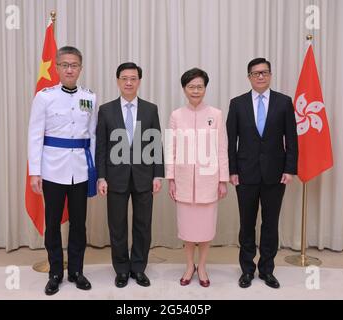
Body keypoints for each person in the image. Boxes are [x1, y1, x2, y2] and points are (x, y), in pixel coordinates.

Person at [28, 46, 96, 295]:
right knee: (53, 223)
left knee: (79, 224)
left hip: (80, 170)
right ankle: (55, 271)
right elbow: (35, 135)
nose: (69, 69)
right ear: (56, 67)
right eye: (65, 65)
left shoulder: (90, 97)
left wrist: (94, 170)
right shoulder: (44, 97)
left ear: (80, 68)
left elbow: (94, 135)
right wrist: (35, 171)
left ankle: (77, 271)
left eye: (74, 65)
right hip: (53, 169)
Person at [226, 58, 298, 289]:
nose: (260, 76)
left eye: (264, 72)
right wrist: (232, 170)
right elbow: (230, 141)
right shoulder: (237, 103)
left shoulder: (284, 102)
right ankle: (247, 270)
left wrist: (289, 168)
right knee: (247, 224)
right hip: (245, 175)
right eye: (255, 73)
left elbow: (292, 139)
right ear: (248, 77)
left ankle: (267, 270)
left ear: (270, 75)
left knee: (270, 224)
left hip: (275, 175)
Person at [96, 62, 164, 288]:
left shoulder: (150, 109)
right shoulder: (106, 110)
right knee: (117, 226)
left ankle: (138, 268)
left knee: (143, 225)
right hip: (115, 177)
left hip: (144, 177)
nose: (128, 82)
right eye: (124, 78)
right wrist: (101, 177)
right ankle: (122, 270)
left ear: (139, 81)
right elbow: (102, 147)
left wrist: (157, 175)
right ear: (117, 81)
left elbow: (156, 142)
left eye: (133, 78)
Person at [166, 68, 229, 287]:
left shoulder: (216, 114)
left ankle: (202, 266)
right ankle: (189, 265)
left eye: (199, 86)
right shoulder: (176, 115)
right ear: (184, 89)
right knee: (187, 229)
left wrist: (222, 180)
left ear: (205, 88)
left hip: (208, 181)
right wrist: (171, 178)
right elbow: (171, 149)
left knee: (205, 229)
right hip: (183, 181)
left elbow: (222, 149)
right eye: (191, 87)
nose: (195, 91)